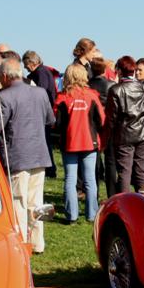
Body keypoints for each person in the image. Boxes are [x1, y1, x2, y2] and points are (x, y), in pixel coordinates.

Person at [0, 56, 54, 253]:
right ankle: (37, 242)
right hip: (39, 154)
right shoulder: (41, 93)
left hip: (17, 156)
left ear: (4, 76)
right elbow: (49, 120)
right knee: (36, 202)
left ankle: (20, 241)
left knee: (18, 201)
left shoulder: (4, 97)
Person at [54, 64, 105, 223]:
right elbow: (101, 120)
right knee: (90, 178)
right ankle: (91, 214)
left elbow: (57, 123)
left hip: (69, 144)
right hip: (90, 143)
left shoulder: (62, 97)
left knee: (70, 179)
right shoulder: (92, 95)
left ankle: (72, 215)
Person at [106, 55, 144, 193]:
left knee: (125, 172)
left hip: (124, 136)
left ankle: (125, 205)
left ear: (119, 71)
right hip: (143, 134)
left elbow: (111, 118)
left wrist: (108, 136)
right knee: (140, 170)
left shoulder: (115, 90)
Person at [24, 51, 58, 178]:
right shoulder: (43, 71)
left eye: (26, 64)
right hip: (45, 111)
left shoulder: (40, 73)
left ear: (32, 63)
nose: (25, 67)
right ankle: (49, 168)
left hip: (42, 112)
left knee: (44, 141)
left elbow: (41, 91)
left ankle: (49, 169)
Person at [88, 57, 118, 196]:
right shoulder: (111, 85)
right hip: (108, 124)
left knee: (94, 162)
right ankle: (111, 194)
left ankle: (94, 194)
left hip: (92, 125)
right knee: (110, 161)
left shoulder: (87, 86)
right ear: (105, 69)